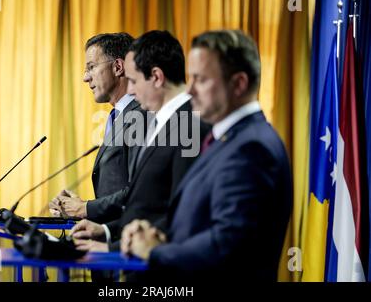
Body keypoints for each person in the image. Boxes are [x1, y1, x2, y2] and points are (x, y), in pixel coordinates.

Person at [121, 30, 293, 281]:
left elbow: (227, 244)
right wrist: (149, 232)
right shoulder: (228, 139)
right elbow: (196, 219)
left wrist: (156, 251)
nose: (189, 91)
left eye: (201, 80)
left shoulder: (252, 148)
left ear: (239, 84)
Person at [69, 30, 210, 257]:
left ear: (156, 77)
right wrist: (106, 230)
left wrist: (111, 247)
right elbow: (146, 201)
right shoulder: (164, 122)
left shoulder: (187, 125)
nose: (131, 90)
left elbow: (180, 211)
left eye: (133, 81)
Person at [49, 32, 144, 224]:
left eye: (91, 67)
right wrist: (80, 206)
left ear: (118, 67)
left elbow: (139, 191)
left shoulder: (141, 116)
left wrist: (84, 209)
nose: (85, 77)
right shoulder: (120, 116)